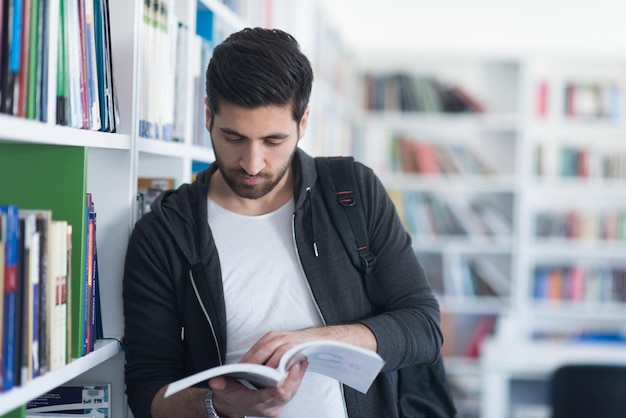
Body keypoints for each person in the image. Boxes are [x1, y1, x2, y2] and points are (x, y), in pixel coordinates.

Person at [122, 27, 443, 418]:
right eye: (233, 137)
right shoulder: (165, 232)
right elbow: (147, 389)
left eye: (273, 141)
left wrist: (322, 339)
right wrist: (215, 404)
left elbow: (423, 326)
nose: (252, 163)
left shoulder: (352, 192)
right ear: (208, 115)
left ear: (303, 122)